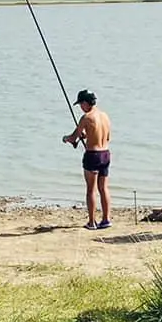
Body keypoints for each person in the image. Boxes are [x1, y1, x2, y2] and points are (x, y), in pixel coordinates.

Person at [63, 88, 113, 230]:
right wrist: (87, 136)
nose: (80, 107)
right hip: (105, 154)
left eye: (80, 104)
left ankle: (91, 222)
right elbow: (106, 137)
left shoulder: (86, 118)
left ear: (86, 103)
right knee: (103, 188)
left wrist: (66, 139)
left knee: (91, 190)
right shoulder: (105, 116)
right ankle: (106, 219)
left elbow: (73, 137)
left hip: (92, 156)